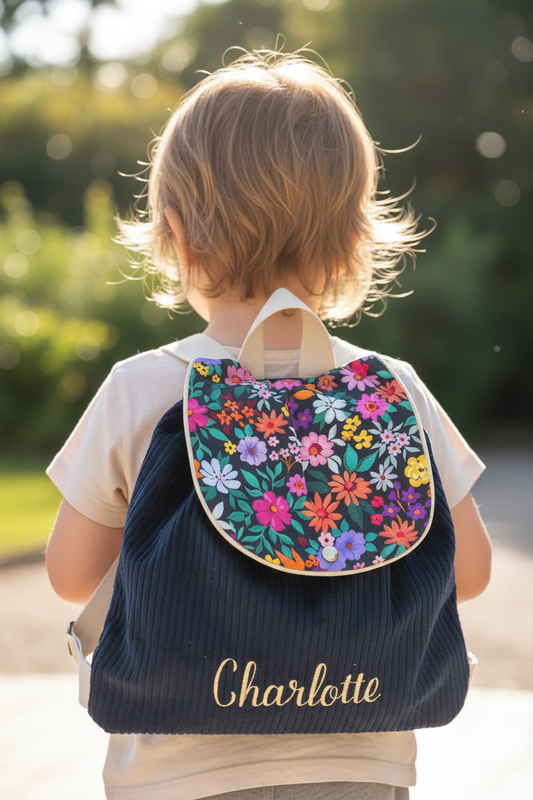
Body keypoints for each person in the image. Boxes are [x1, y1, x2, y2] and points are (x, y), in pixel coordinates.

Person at [46, 50, 492, 800]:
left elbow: (70, 575)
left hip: (178, 768)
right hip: (360, 761)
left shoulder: (146, 389)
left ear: (177, 234)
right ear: (354, 241)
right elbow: (468, 574)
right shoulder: (392, 392)